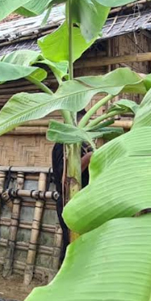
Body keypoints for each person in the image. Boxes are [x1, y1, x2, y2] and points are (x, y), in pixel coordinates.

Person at [51, 111, 93, 267]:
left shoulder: (80, 145)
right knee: (71, 245)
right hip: (68, 202)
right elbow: (65, 180)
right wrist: (87, 159)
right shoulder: (63, 145)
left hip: (79, 202)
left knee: (74, 244)